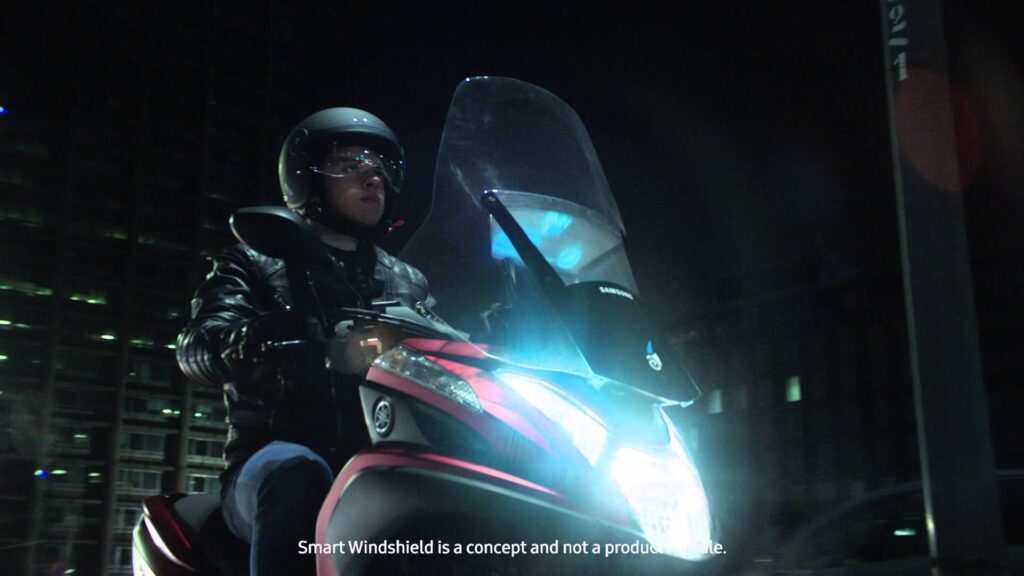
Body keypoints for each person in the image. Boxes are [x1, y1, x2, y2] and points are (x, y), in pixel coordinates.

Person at [175, 108, 433, 575]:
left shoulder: (407, 281)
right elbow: (199, 346)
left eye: (382, 168)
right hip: (271, 458)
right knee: (297, 472)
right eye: (351, 165)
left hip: (381, 459)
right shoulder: (254, 261)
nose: (373, 178)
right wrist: (290, 338)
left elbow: (450, 346)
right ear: (305, 178)